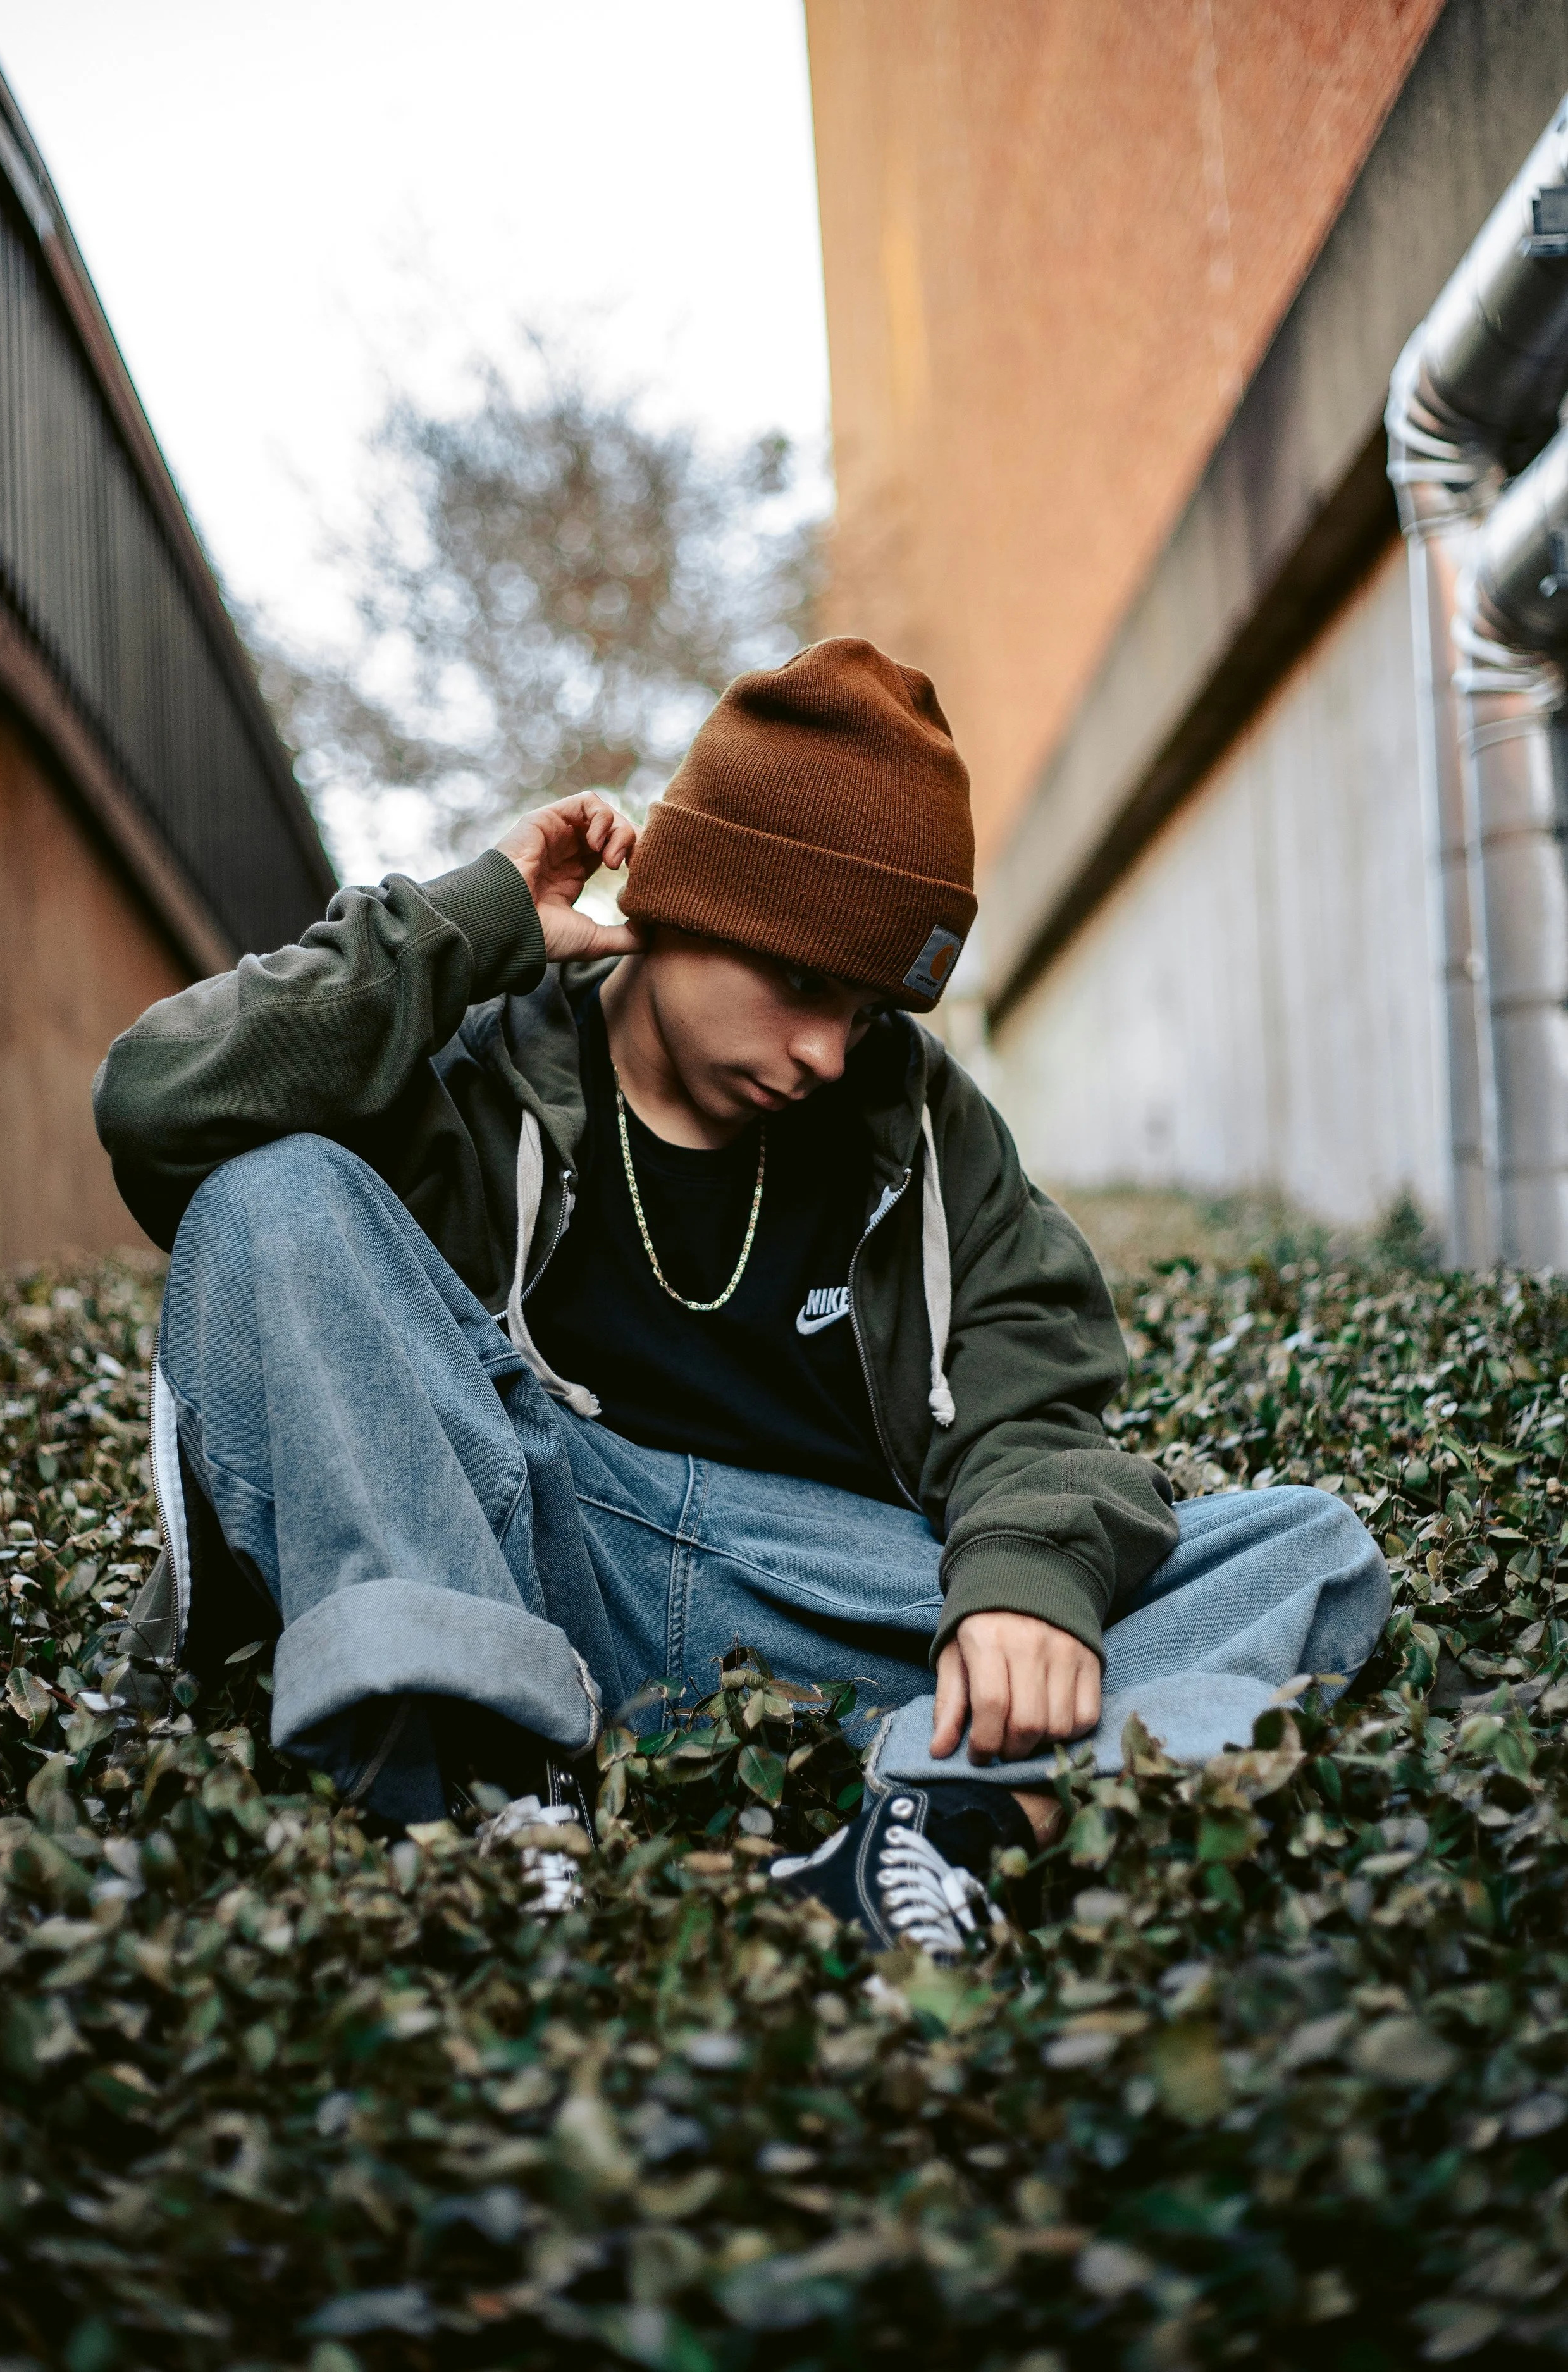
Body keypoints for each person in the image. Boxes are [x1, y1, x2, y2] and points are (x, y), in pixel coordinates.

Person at [94, 638, 1388, 1956]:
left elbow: (1031, 1390)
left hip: (811, 1593)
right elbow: (159, 1103)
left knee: (1303, 1548)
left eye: (869, 1007)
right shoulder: (478, 1061)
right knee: (271, 1192)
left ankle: (932, 1832)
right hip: (526, 1548)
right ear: (684, 902)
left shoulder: (920, 1120)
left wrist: (1018, 1586)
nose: (829, 1051)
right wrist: (470, 923)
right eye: (802, 983)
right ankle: (486, 1809)